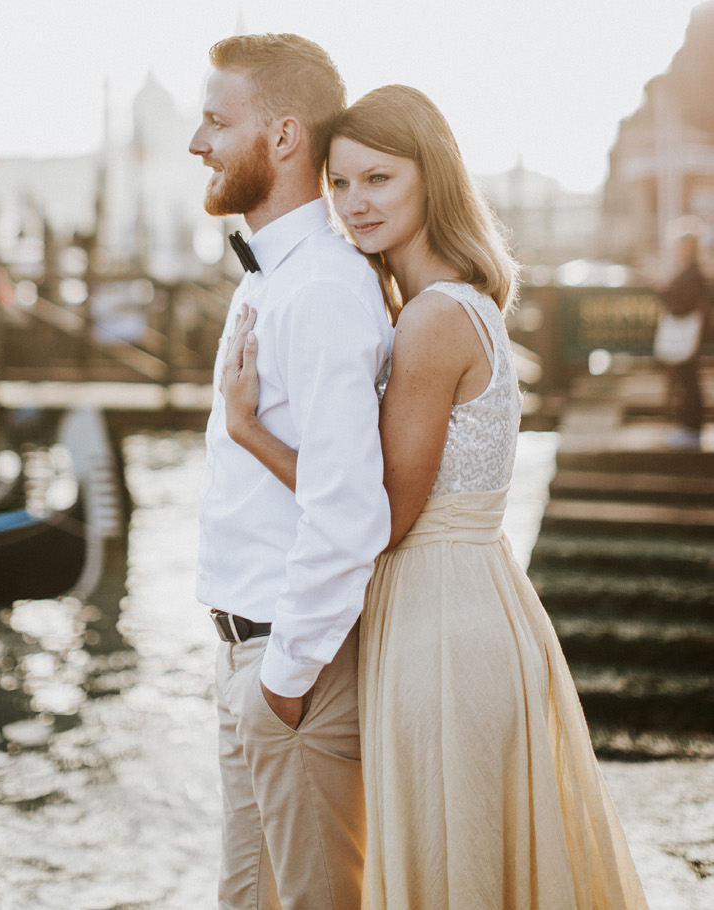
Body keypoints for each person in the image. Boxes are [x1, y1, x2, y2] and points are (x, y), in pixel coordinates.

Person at [223, 84, 648, 909]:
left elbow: (379, 516)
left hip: (441, 629)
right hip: (472, 605)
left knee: (452, 869)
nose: (354, 204)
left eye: (378, 180)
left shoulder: (430, 321)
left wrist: (252, 431)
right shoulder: (461, 304)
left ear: (432, 179)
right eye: (339, 185)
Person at [189, 34, 394, 910]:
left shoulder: (320, 292)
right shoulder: (270, 280)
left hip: (288, 671)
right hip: (252, 661)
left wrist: (280, 687)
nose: (196, 144)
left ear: (279, 138)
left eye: (214, 121)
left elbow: (348, 514)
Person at [657, 223, 708, 451]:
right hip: (689, 337)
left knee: (689, 382)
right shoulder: (691, 271)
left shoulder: (694, 273)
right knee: (687, 381)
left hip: (689, 337)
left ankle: (691, 429)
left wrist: (661, 289)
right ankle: (688, 427)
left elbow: (681, 305)